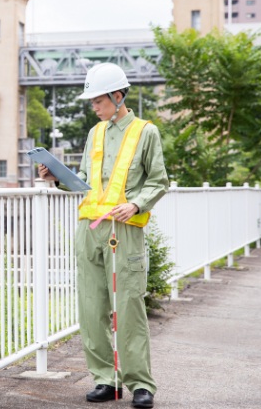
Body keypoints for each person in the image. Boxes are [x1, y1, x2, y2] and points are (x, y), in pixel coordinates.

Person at [39, 63, 167, 409]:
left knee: (127, 307)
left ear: (117, 95)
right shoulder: (95, 134)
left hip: (123, 230)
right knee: (92, 308)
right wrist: (56, 177)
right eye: (93, 102)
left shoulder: (146, 132)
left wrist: (137, 204)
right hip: (89, 230)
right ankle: (105, 380)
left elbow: (159, 181)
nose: (94, 107)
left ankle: (140, 384)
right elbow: (82, 178)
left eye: (98, 101)